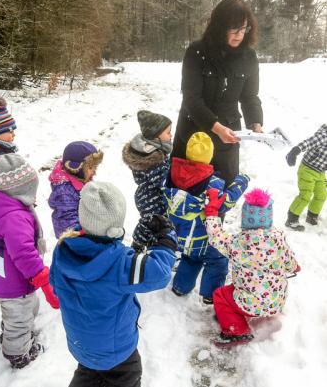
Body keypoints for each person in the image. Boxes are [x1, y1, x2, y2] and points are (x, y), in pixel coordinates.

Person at [50, 181, 177, 387]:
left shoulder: (64, 248)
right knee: (124, 377)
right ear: (115, 227)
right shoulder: (120, 263)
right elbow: (159, 273)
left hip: (80, 339)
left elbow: (55, 285)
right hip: (117, 345)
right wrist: (166, 241)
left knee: (89, 369)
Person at [0, 154, 59, 368]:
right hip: (14, 281)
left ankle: (11, 336)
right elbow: (24, 253)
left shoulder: (0, 207)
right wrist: (42, 277)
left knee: (18, 312)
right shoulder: (14, 217)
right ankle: (17, 354)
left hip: (5, 276)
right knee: (20, 317)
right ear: (18, 190)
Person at [172, 0, 263, 185]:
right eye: (234, 28)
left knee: (219, 197)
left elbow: (249, 96)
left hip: (227, 137)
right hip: (193, 134)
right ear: (220, 26)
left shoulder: (249, 57)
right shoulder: (197, 52)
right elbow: (191, 99)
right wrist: (216, 127)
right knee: (185, 195)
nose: (239, 34)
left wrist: (256, 122)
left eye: (244, 28)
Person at [205, 188, 300, 346]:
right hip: (277, 301)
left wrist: (211, 212)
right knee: (239, 291)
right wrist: (295, 267)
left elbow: (216, 236)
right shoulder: (279, 241)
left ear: (245, 219)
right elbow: (290, 264)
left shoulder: (237, 244)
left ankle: (237, 330)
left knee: (220, 295)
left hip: (250, 304)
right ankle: (245, 313)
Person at [163, 132, 249, 303]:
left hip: (181, 235)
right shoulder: (212, 183)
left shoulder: (173, 175)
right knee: (217, 260)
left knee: (190, 258)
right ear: (209, 156)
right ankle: (211, 295)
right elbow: (224, 203)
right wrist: (241, 182)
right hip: (204, 237)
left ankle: (181, 287)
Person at [122, 110, 172, 251]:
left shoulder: (151, 149)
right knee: (152, 224)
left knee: (153, 224)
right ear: (156, 136)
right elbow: (163, 181)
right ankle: (137, 246)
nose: (171, 135)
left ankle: (147, 245)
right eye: (168, 132)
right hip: (151, 198)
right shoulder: (154, 158)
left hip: (147, 193)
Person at [48, 141, 103, 238]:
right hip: (74, 241)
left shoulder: (80, 181)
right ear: (75, 168)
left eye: (95, 167)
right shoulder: (64, 192)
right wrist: (86, 237)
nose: (94, 172)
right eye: (90, 167)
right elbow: (68, 222)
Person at [285, 124, 327, 231]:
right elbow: (308, 143)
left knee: (321, 195)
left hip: (320, 172)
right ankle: (292, 219)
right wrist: (295, 151)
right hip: (308, 170)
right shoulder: (323, 136)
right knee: (306, 195)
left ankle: (312, 215)